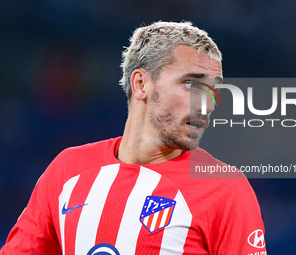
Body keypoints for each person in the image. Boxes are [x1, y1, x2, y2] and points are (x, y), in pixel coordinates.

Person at [0, 21, 267, 255]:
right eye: (191, 84)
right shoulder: (66, 170)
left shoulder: (225, 189)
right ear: (140, 84)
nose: (206, 105)